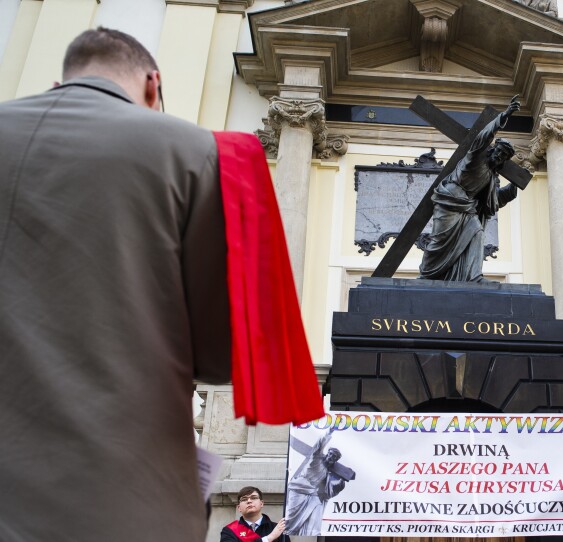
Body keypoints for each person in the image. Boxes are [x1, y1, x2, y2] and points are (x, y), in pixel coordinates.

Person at [0, 28, 232, 541]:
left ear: (58, 82)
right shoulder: (192, 151)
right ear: (153, 85)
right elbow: (220, 355)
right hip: (113, 494)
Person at [418, 95, 521, 282]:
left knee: (477, 232)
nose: (499, 156)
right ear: (493, 149)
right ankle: (426, 273)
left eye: (504, 156)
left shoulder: (490, 177)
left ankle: (474, 276)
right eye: (499, 151)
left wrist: (514, 186)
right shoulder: (475, 158)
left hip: (467, 207)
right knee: (439, 241)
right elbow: (483, 137)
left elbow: (493, 201)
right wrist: (504, 116)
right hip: (449, 200)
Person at [284, 430, 349, 535]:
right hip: (298, 488)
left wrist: (340, 482)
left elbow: (329, 489)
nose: (331, 457)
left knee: (318, 507)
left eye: (334, 457)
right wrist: (329, 432)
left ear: (335, 460)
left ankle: (313, 532)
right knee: (291, 516)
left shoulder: (327, 472)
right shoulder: (316, 459)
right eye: (330, 454)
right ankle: (289, 531)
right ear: (327, 453)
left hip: (312, 492)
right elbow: (319, 446)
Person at [220, 487, 287, 542]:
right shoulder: (229, 531)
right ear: (239, 508)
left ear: (261, 503)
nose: (249, 501)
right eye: (244, 499)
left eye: (254, 498)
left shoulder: (278, 529)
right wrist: (269, 538)